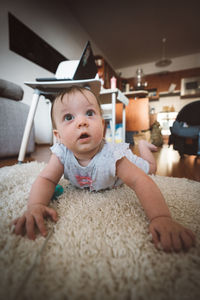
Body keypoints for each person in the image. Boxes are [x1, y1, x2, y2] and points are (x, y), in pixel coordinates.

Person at [13, 86, 195, 252]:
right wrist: (35, 205)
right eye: (69, 117)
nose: (81, 122)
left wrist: (161, 217)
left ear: (103, 126)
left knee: (151, 170)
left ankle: (144, 148)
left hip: (122, 167)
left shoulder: (113, 157)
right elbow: (46, 179)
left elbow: (140, 181)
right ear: (58, 136)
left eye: (90, 113)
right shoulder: (61, 153)